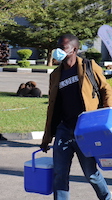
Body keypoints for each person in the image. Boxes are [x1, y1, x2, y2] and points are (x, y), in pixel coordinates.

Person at [40, 34, 112, 200]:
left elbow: (106, 89)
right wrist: (46, 138)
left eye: (63, 48)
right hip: (64, 129)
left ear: (74, 49)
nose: (58, 51)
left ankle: (106, 198)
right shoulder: (56, 74)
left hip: (86, 131)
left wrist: (106, 114)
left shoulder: (89, 66)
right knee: (60, 174)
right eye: (57, 48)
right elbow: (52, 107)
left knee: (91, 174)